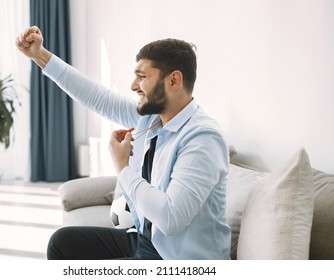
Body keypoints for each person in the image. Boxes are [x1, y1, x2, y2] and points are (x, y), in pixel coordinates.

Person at [16, 26, 231, 260]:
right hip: (146, 241)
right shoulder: (152, 118)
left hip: (177, 260)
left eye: (142, 76)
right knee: (62, 243)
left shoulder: (202, 137)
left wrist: (123, 167)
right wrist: (40, 55)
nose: (133, 85)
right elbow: (97, 97)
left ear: (174, 80)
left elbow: (170, 218)